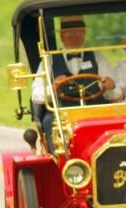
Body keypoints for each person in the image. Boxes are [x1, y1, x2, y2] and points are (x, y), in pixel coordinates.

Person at [30, 15, 115, 148]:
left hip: (94, 109)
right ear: (62, 36)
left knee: (114, 118)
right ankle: (60, 160)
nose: (75, 38)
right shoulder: (49, 60)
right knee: (49, 121)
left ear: (84, 35)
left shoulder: (97, 57)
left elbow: (113, 94)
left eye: (79, 34)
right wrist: (53, 87)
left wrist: (110, 85)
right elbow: (36, 96)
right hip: (62, 113)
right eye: (70, 35)